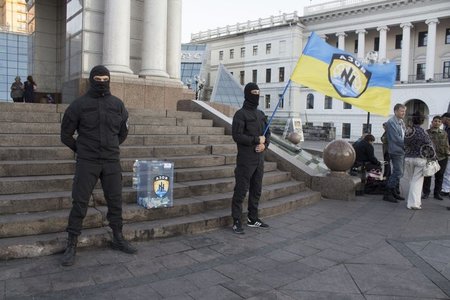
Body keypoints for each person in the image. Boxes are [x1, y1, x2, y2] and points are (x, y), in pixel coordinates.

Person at [60, 65, 136, 266]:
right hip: (87, 161)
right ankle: (71, 243)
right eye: (98, 79)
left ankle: (118, 238)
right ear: (91, 80)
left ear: (109, 80)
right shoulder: (78, 105)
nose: (101, 83)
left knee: (115, 200)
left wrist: (111, 146)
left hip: (111, 161)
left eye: (105, 79)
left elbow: (123, 132)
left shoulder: (118, 105)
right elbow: (65, 135)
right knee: (80, 202)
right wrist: (82, 149)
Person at [231, 82, 271, 234]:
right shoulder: (240, 114)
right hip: (245, 160)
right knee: (241, 190)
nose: (257, 95)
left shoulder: (261, 114)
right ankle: (236, 220)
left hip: (259, 159)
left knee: (256, 190)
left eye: (258, 92)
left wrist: (264, 145)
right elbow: (237, 136)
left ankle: (252, 218)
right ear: (247, 94)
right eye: (254, 92)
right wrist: (256, 140)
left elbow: (267, 134)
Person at [400, 111, 435, 210]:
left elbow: (404, 144)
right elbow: (429, 145)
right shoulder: (423, 132)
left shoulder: (408, 131)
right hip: (420, 158)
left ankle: (413, 202)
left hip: (408, 158)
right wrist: (432, 157)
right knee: (417, 181)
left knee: (412, 181)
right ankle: (414, 203)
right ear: (422, 120)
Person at [422, 115, 449, 200]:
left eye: (439, 121)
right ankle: (426, 192)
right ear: (432, 122)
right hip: (430, 158)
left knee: (440, 176)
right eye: (435, 121)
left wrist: (447, 153)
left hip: (442, 157)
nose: (437, 123)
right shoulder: (426, 132)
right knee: (428, 175)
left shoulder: (444, 133)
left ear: (441, 123)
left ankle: (437, 193)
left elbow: (446, 145)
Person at [384, 103, 407, 203]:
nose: (403, 113)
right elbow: (396, 139)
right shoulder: (391, 122)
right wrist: (407, 145)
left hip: (402, 150)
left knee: (399, 173)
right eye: (402, 111)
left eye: (404, 111)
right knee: (398, 172)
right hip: (396, 150)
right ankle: (387, 193)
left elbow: (404, 134)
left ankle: (394, 192)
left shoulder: (401, 121)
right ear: (396, 111)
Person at [440, 112, 450, 196]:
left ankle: (446, 190)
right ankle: (445, 188)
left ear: (447, 119)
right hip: (446, 152)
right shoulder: (446, 128)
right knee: (446, 171)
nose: (441, 121)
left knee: (448, 171)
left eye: (442, 119)